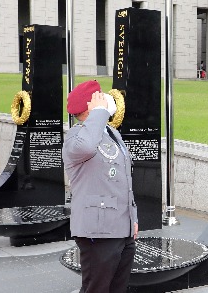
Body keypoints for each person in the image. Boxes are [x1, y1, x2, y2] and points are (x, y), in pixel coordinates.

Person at [63, 80, 138, 293]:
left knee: (118, 288)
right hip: (98, 231)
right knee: (97, 289)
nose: (107, 98)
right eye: (100, 96)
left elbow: (123, 179)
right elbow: (87, 147)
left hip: (121, 227)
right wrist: (98, 113)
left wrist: (132, 217)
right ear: (91, 105)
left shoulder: (111, 133)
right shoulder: (75, 137)